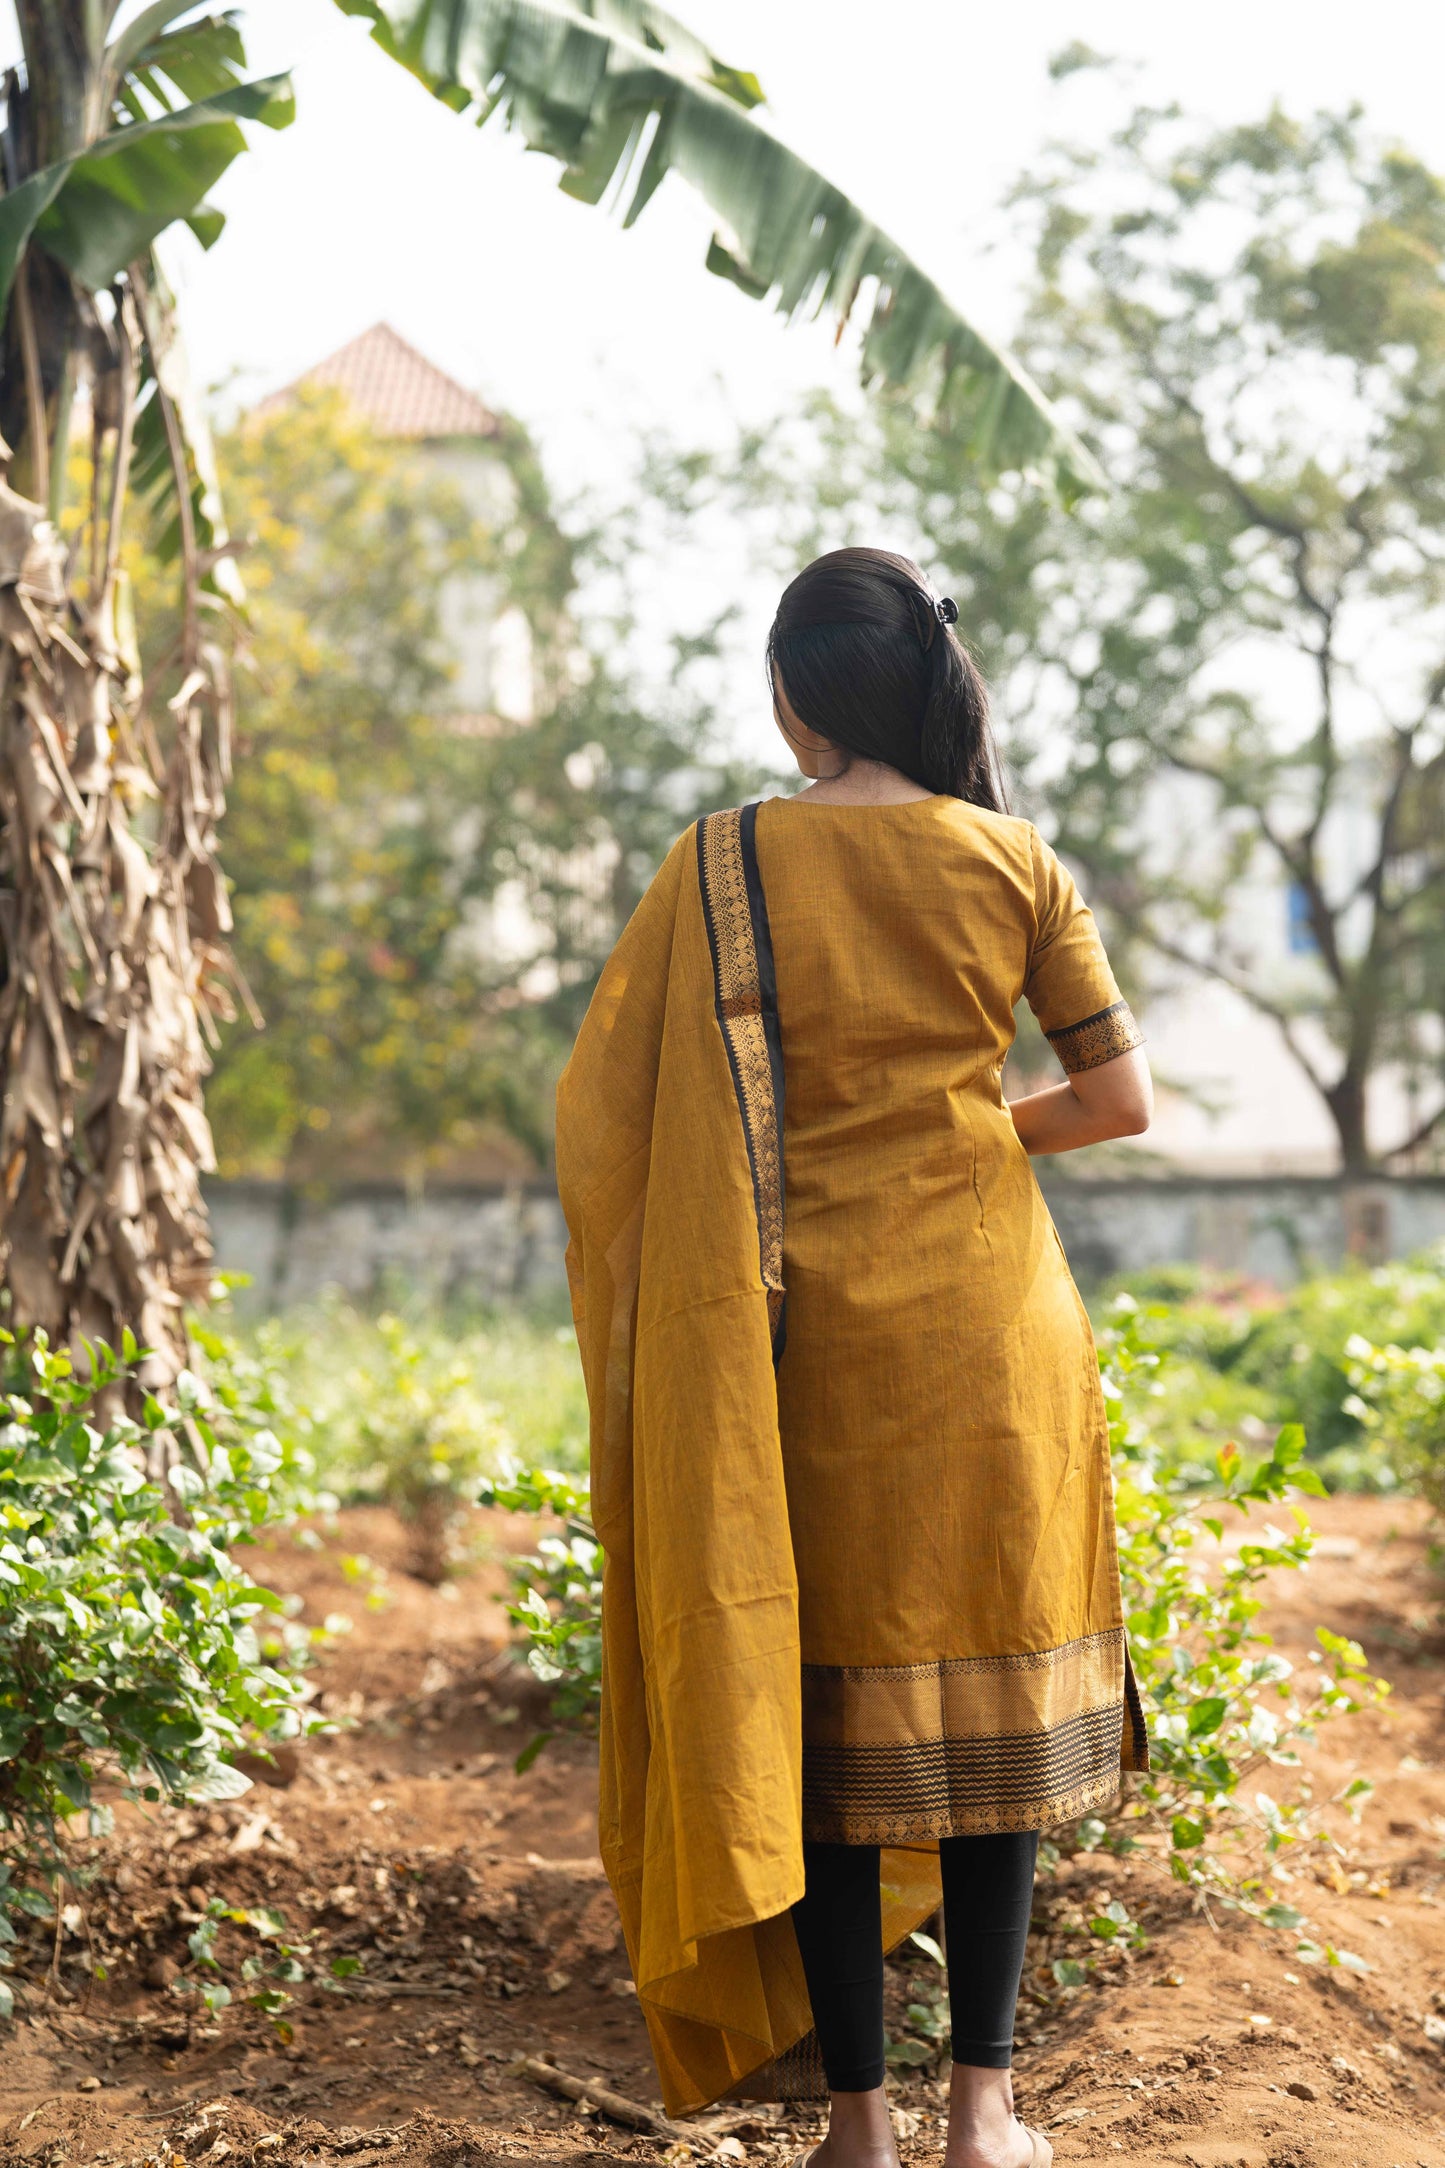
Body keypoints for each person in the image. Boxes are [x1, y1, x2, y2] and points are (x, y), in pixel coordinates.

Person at [556, 548, 1152, 2168]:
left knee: (816, 1734)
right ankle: (986, 2119)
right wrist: (969, 1125)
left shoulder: (718, 863)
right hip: (994, 1340)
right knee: (991, 1737)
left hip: (796, 1348)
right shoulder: (1014, 861)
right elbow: (1116, 1102)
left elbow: (608, 1116)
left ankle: (857, 2130)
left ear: (795, 693)